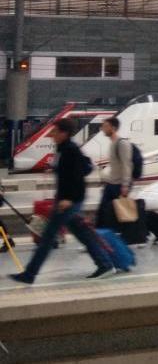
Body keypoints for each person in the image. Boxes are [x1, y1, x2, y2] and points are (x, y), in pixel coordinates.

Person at [10, 119, 113, 284]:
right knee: (82, 234)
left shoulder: (71, 150)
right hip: (65, 199)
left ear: (64, 133)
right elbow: (67, 172)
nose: (51, 135)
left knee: (48, 237)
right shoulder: (62, 149)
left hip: (68, 201)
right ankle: (105, 264)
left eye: (55, 131)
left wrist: (68, 200)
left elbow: (77, 178)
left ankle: (30, 274)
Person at [96, 117, 133, 230]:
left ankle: (138, 234)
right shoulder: (112, 143)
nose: (103, 129)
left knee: (122, 213)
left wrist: (125, 185)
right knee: (103, 213)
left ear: (114, 128)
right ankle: (100, 239)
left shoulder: (122, 144)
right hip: (111, 184)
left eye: (105, 126)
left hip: (119, 185)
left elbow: (127, 165)